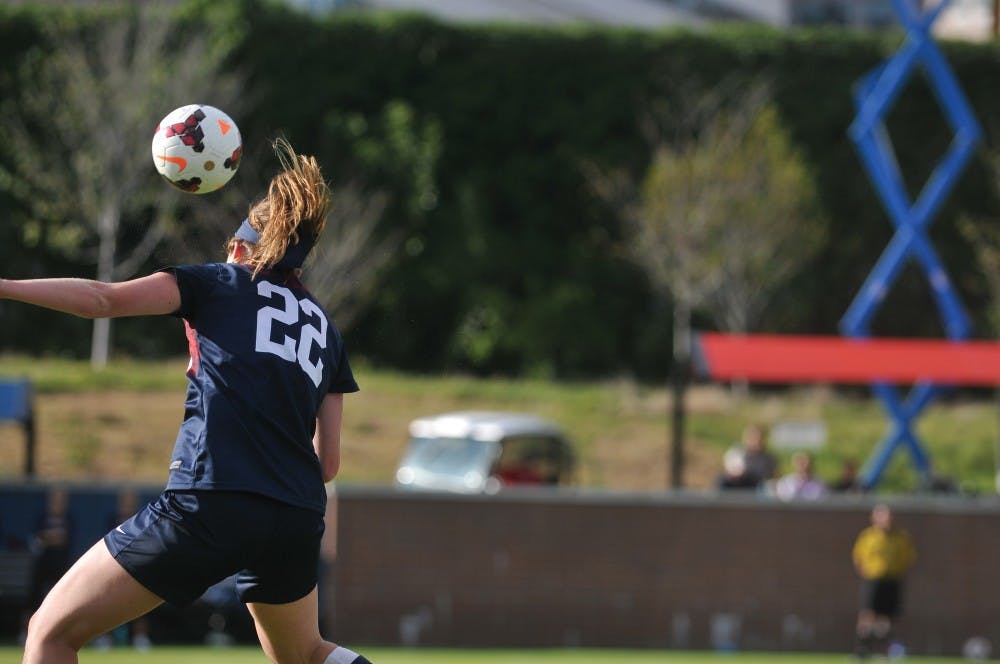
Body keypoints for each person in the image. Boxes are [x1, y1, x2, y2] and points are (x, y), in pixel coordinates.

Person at [3, 138, 372, 664]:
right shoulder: (325, 329)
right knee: (306, 654)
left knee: (49, 632)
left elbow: (103, 299)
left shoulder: (220, 282)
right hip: (296, 513)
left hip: (212, 502)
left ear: (243, 247)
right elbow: (328, 464)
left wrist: (7, 286)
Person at [851, 504, 916, 659]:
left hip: (892, 580)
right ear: (874, 518)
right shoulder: (868, 537)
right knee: (868, 614)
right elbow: (858, 558)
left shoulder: (901, 538)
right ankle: (862, 650)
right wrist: (868, 572)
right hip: (874, 580)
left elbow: (908, 558)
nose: (887, 520)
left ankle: (884, 652)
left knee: (888, 619)